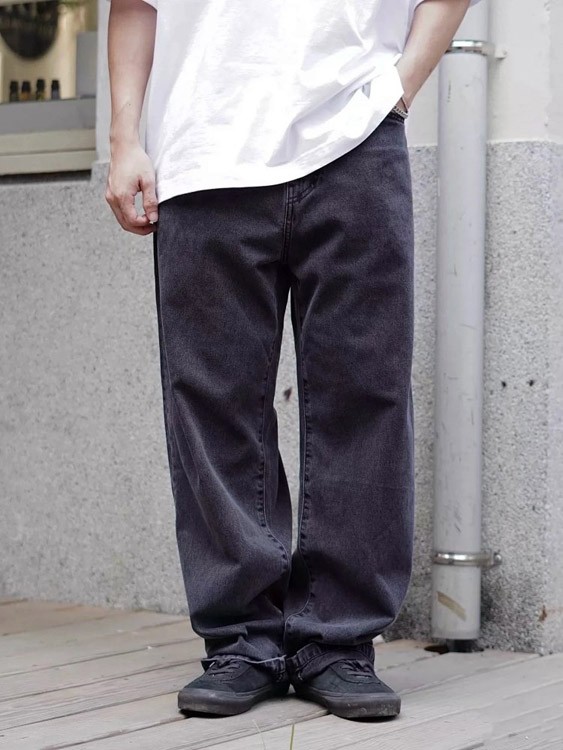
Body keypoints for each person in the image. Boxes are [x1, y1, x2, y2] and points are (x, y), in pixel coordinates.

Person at [106, 0, 480, 721]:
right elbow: (134, 6)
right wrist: (125, 138)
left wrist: (399, 87)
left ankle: (338, 641)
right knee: (210, 403)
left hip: (355, 141)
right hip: (202, 149)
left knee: (365, 395)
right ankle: (242, 640)